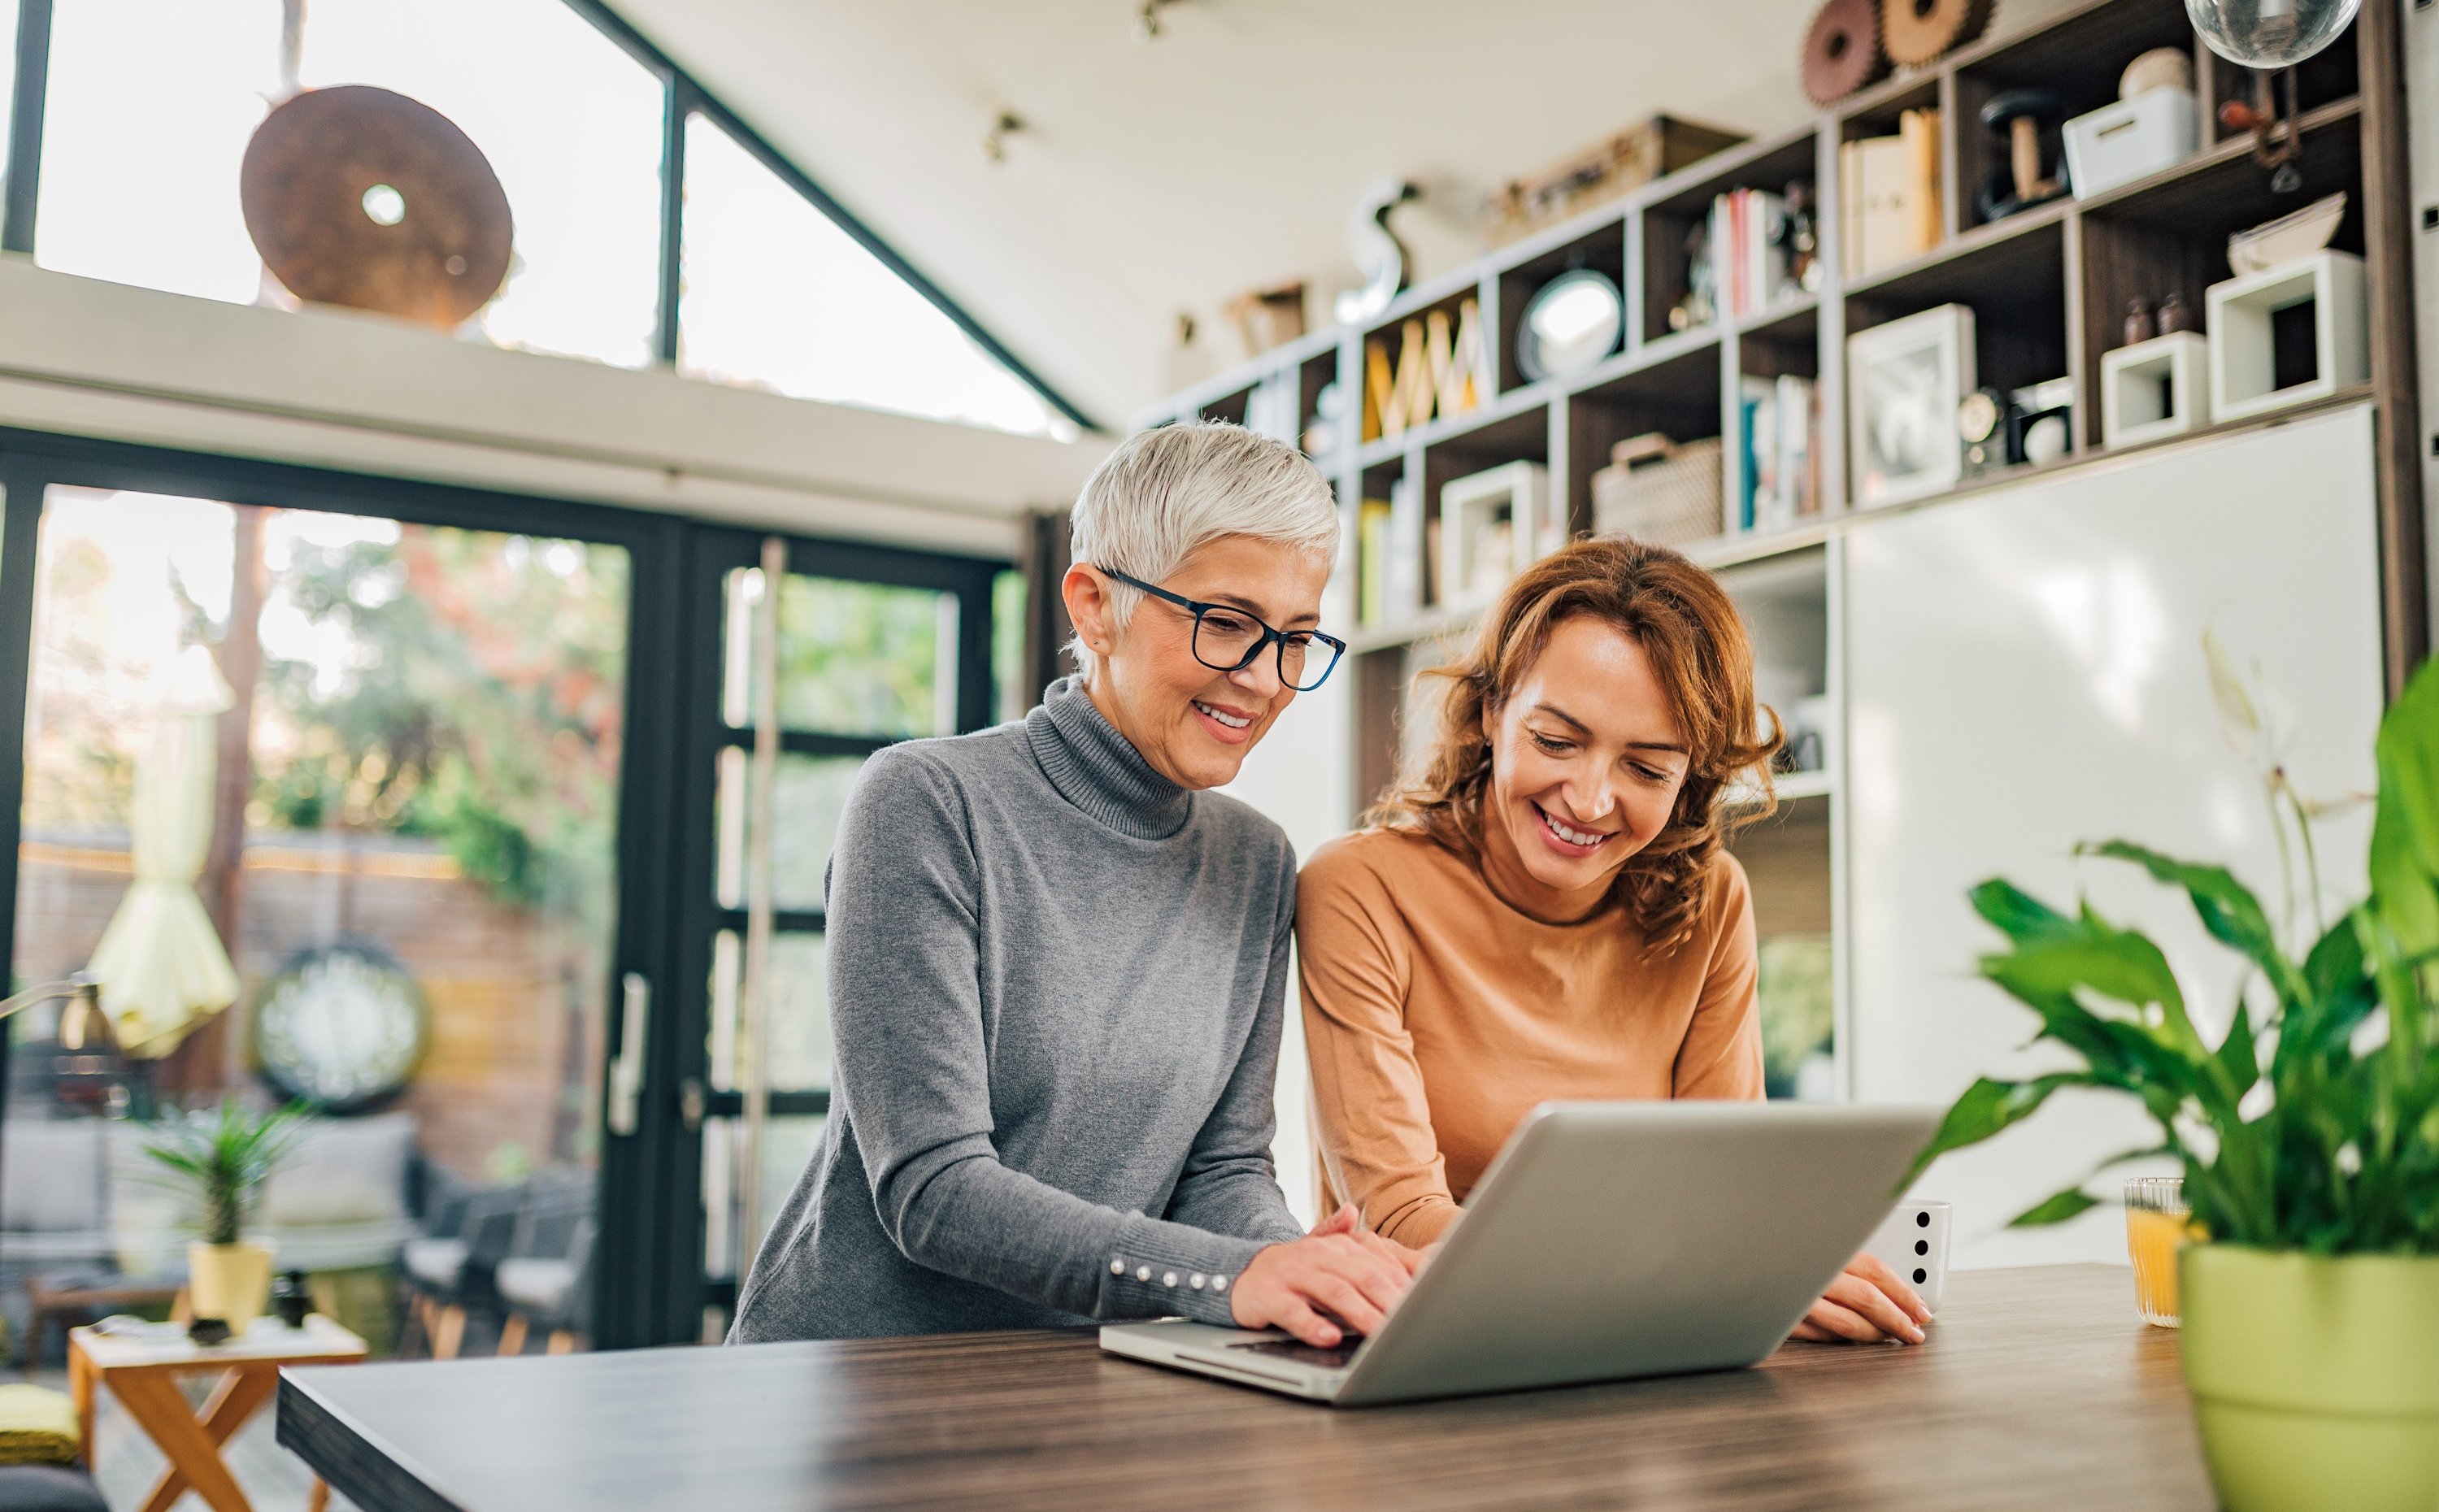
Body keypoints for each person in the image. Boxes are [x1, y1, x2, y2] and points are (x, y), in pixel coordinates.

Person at [732, 422, 1412, 1349]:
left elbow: (1222, 1171)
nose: (1262, 680)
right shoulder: (926, 804)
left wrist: (1308, 1271)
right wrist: (1238, 1275)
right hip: (854, 1382)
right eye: (1226, 624)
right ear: (1094, 605)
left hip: (1073, 1380)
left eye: (1295, 638)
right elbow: (933, 1193)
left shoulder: (1256, 862)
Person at [1296, 537, 1932, 1346]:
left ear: (1692, 777)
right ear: (1492, 712)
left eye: (1647, 768)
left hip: (1638, 1360)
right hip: (1429, 1357)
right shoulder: (1360, 889)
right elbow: (1399, 1219)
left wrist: (1769, 1264)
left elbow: (1725, 1191)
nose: (1590, 799)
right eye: (1557, 741)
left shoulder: (1711, 901)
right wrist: (1719, 1276)